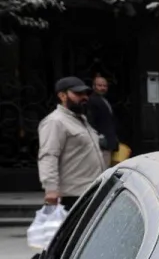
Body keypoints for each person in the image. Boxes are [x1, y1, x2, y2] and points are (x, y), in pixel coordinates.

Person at [39, 77, 107, 209]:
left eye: (85, 94)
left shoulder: (80, 119)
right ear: (62, 95)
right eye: (78, 94)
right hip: (72, 194)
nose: (84, 97)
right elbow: (49, 155)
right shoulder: (55, 121)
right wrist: (51, 189)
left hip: (90, 190)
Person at [86, 72, 121, 167]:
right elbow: (91, 121)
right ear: (93, 86)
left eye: (105, 86)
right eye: (100, 85)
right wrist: (99, 137)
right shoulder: (92, 101)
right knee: (103, 170)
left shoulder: (104, 100)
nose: (102, 88)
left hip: (108, 142)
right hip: (102, 144)